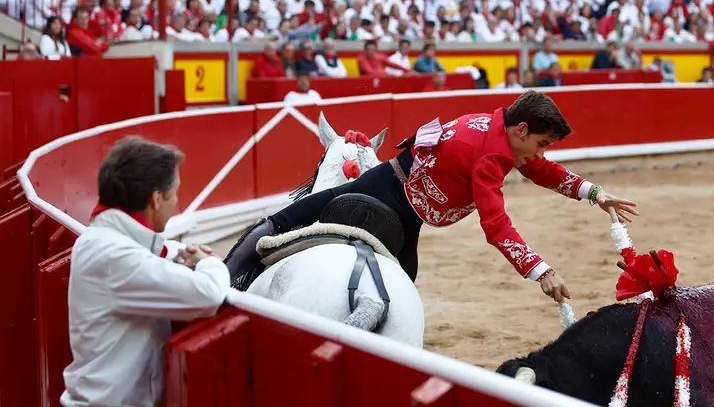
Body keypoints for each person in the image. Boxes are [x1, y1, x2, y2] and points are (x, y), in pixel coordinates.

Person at [225, 91, 638, 302]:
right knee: (401, 294)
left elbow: (539, 169)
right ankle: (223, 286)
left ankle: (227, 282)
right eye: (543, 143)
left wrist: (593, 192)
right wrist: (541, 271)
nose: (542, 152)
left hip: (394, 194)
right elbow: (495, 225)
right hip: (393, 201)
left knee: (285, 220)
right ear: (523, 130)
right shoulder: (494, 154)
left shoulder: (496, 129)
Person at [60, 136, 231, 407]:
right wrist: (211, 262)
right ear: (155, 199)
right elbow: (208, 293)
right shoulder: (116, 256)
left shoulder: (102, 238)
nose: (176, 202)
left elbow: (151, 249)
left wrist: (181, 253)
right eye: (174, 193)